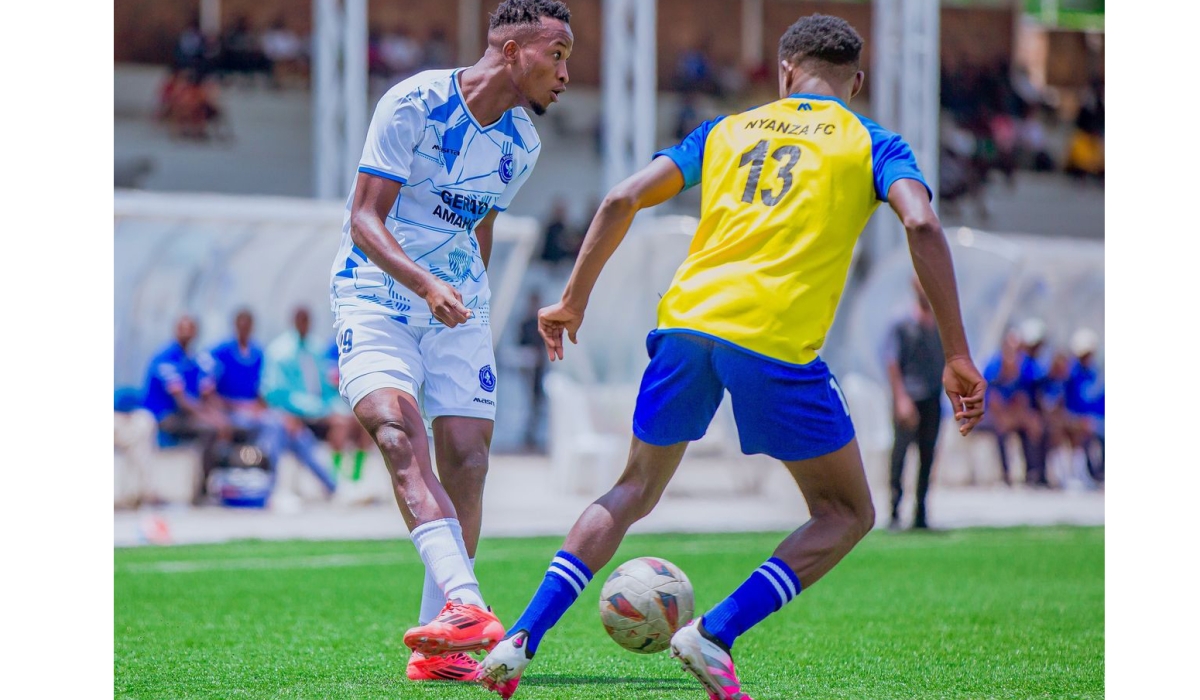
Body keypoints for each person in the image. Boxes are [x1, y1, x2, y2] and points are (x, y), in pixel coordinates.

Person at [479, 14, 986, 698]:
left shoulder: (727, 130)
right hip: (772, 339)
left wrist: (572, 300)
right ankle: (713, 633)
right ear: (856, 83)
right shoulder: (873, 142)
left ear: (783, 74)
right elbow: (921, 222)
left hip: (686, 322)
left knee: (632, 489)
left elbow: (623, 196)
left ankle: (521, 638)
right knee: (848, 514)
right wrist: (957, 352)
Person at [327, 0, 572, 684]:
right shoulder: (414, 103)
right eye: (557, 55)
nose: (565, 74)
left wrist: (464, 298)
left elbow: (479, 227)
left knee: (467, 458)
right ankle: (467, 604)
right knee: (396, 431)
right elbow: (363, 218)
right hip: (375, 291)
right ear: (514, 49)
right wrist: (424, 285)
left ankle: (442, 647)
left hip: (457, 305)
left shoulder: (523, 144)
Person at [210, 309, 338, 495]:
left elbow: (264, 393)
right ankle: (271, 488)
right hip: (231, 412)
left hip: (260, 413)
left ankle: (333, 487)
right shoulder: (221, 352)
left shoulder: (258, 352)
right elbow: (209, 392)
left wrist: (278, 413)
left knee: (298, 435)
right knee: (275, 427)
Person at [140, 314, 235, 504]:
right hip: (164, 416)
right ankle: (201, 491)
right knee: (209, 430)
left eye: (190, 329)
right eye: (182, 329)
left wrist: (220, 417)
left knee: (226, 427)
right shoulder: (165, 358)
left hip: (186, 415)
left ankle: (224, 484)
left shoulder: (196, 359)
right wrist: (212, 420)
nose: (186, 333)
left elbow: (206, 394)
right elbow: (182, 400)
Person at [885, 276, 945, 530]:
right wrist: (900, 398)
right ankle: (895, 509)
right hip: (909, 395)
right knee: (900, 454)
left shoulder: (940, 324)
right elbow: (892, 362)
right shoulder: (902, 322)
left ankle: (921, 511)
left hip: (932, 396)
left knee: (927, 456)